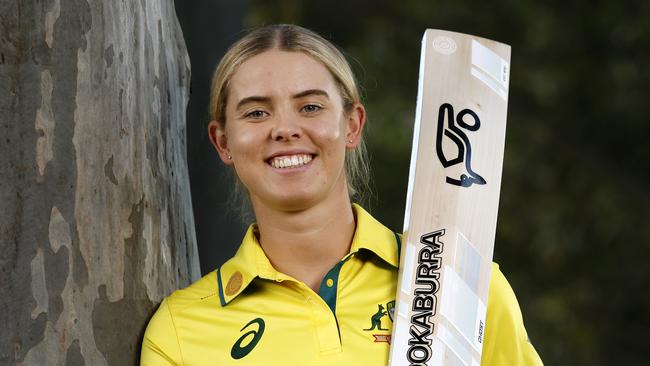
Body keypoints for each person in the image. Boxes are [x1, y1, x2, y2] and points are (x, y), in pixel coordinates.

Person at [141, 24, 542, 365]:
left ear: (352, 126)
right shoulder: (180, 331)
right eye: (256, 113)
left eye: (310, 107)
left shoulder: (466, 285)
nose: (285, 128)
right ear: (223, 142)